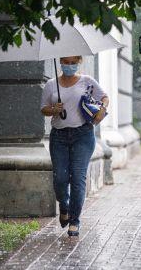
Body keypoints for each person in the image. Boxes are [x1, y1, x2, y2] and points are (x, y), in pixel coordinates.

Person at [41, 56, 108, 237]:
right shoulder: (51, 84)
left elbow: (104, 98)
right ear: (60, 62)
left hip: (83, 135)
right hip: (59, 137)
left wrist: (101, 112)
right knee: (60, 178)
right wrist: (54, 109)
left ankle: (74, 220)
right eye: (65, 62)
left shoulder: (87, 81)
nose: (69, 66)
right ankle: (64, 206)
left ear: (78, 62)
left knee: (78, 177)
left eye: (73, 62)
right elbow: (43, 109)